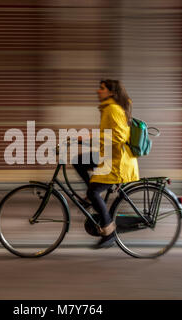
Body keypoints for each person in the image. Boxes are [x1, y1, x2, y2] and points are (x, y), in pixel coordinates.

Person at [73, 79, 139, 248]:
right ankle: (91, 197)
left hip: (117, 161)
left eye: (101, 88)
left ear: (111, 92)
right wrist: (85, 140)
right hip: (109, 156)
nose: (98, 91)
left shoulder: (113, 109)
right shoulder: (108, 109)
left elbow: (118, 137)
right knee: (78, 161)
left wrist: (91, 137)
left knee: (94, 191)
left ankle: (109, 231)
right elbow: (107, 135)